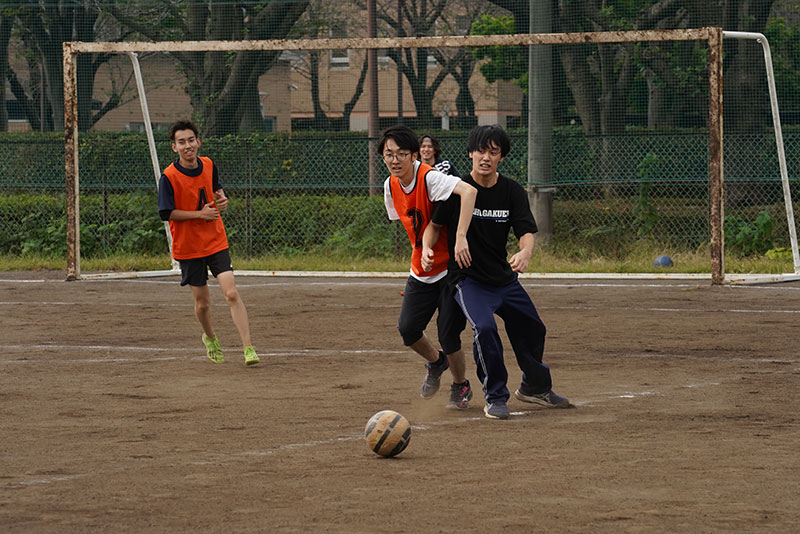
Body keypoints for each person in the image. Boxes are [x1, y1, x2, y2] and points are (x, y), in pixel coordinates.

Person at [423, 124, 570, 419]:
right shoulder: (457, 190)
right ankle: (496, 396)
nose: (485, 157)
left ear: (501, 157)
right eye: (480, 151)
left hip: (502, 278)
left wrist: (525, 252)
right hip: (468, 279)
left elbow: (526, 231)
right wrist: (428, 248)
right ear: (470, 153)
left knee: (533, 327)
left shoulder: (512, 191)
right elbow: (434, 227)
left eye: (493, 152)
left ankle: (535, 387)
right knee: (485, 329)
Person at [380, 124, 477, 409]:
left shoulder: (430, 178)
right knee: (408, 329)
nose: (395, 159)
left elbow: (469, 192)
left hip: (451, 269)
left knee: (448, 333)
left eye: (401, 153)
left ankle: (461, 386)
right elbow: (412, 224)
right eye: (389, 154)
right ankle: (436, 363)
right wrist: (422, 251)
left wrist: (460, 237)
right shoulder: (390, 185)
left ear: (414, 156)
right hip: (421, 271)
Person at [157, 120, 259, 366]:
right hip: (189, 247)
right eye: (182, 142)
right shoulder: (168, 177)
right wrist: (200, 215)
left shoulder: (209, 165)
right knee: (202, 303)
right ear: (174, 148)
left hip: (215, 240)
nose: (188, 145)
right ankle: (210, 337)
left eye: (191, 140)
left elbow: (216, 190)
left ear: (198, 142)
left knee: (231, 292)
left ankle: (248, 348)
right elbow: (166, 213)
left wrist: (222, 198)